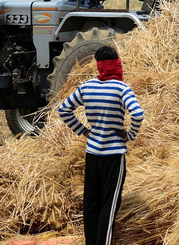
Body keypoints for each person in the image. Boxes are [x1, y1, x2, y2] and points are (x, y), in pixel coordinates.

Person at [58, 46, 144, 245]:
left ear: (99, 66)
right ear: (117, 65)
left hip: (92, 153)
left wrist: (84, 130)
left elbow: (64, 110)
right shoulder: (122, 89)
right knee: (110, 204)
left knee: (92, 201)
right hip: (114, 155)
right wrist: (129, 135)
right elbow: (138, 114)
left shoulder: (87, 87)